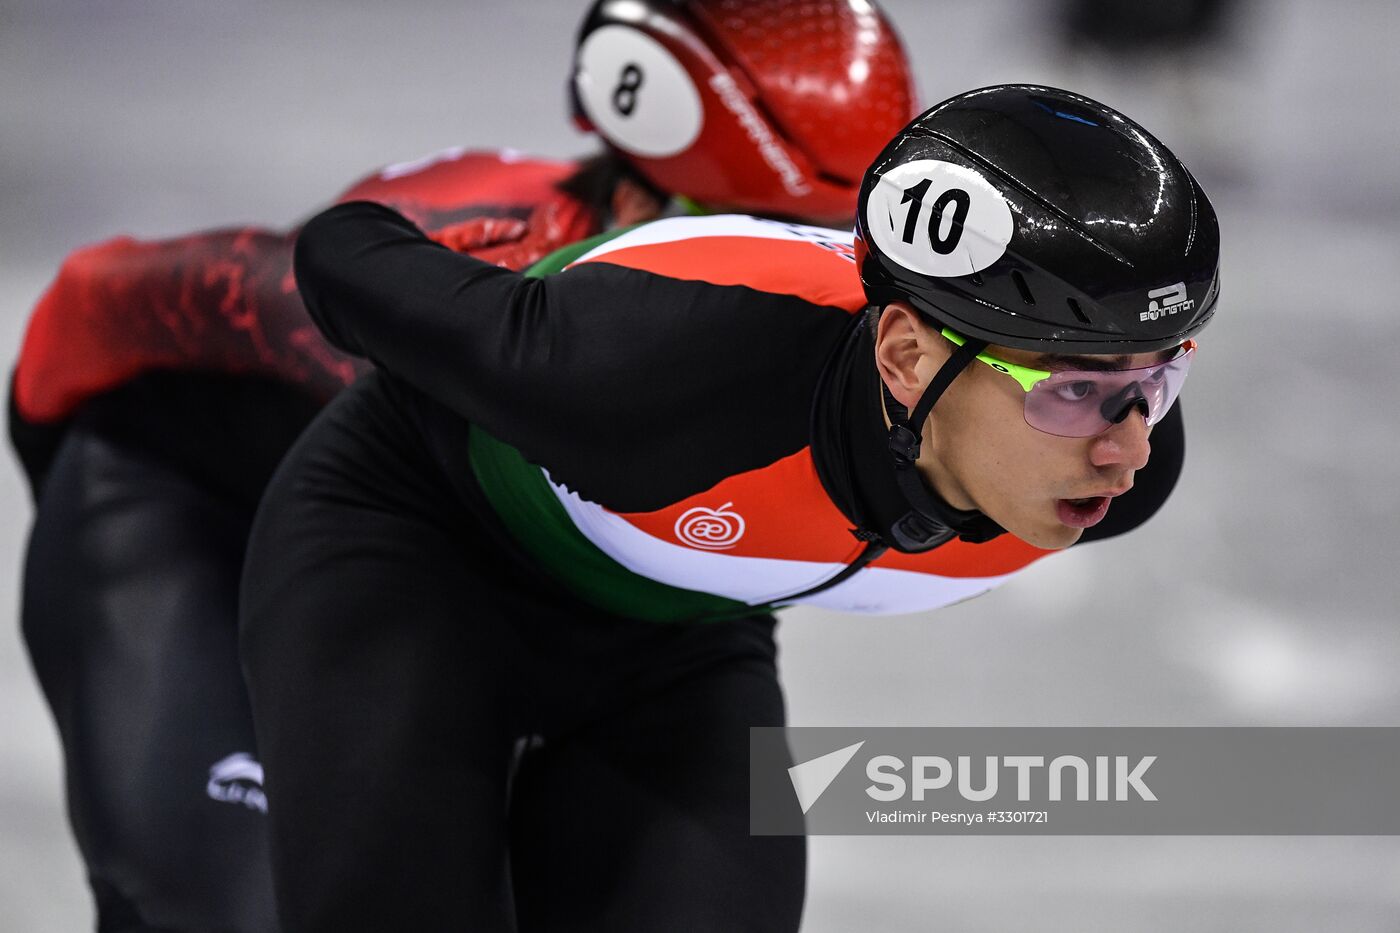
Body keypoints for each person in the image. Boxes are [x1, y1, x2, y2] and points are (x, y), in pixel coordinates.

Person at [6, 2, 916, 930]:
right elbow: (111, 297)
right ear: (640, 207)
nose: (825, 301)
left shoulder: (884, 354)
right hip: (201, 517)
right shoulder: (468, 259)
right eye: (776, 240)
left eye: (852, 257)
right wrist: (49, 456)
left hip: (551, 602)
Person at [240, 83, 1219, 931]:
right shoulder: (657, 362)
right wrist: (498, 276)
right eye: (1072, 391)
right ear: (907, 360)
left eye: (1156, 381)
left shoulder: (1118, 469)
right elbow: (342, 250)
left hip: (673, 642)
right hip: (414, 555)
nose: (1126, 446)